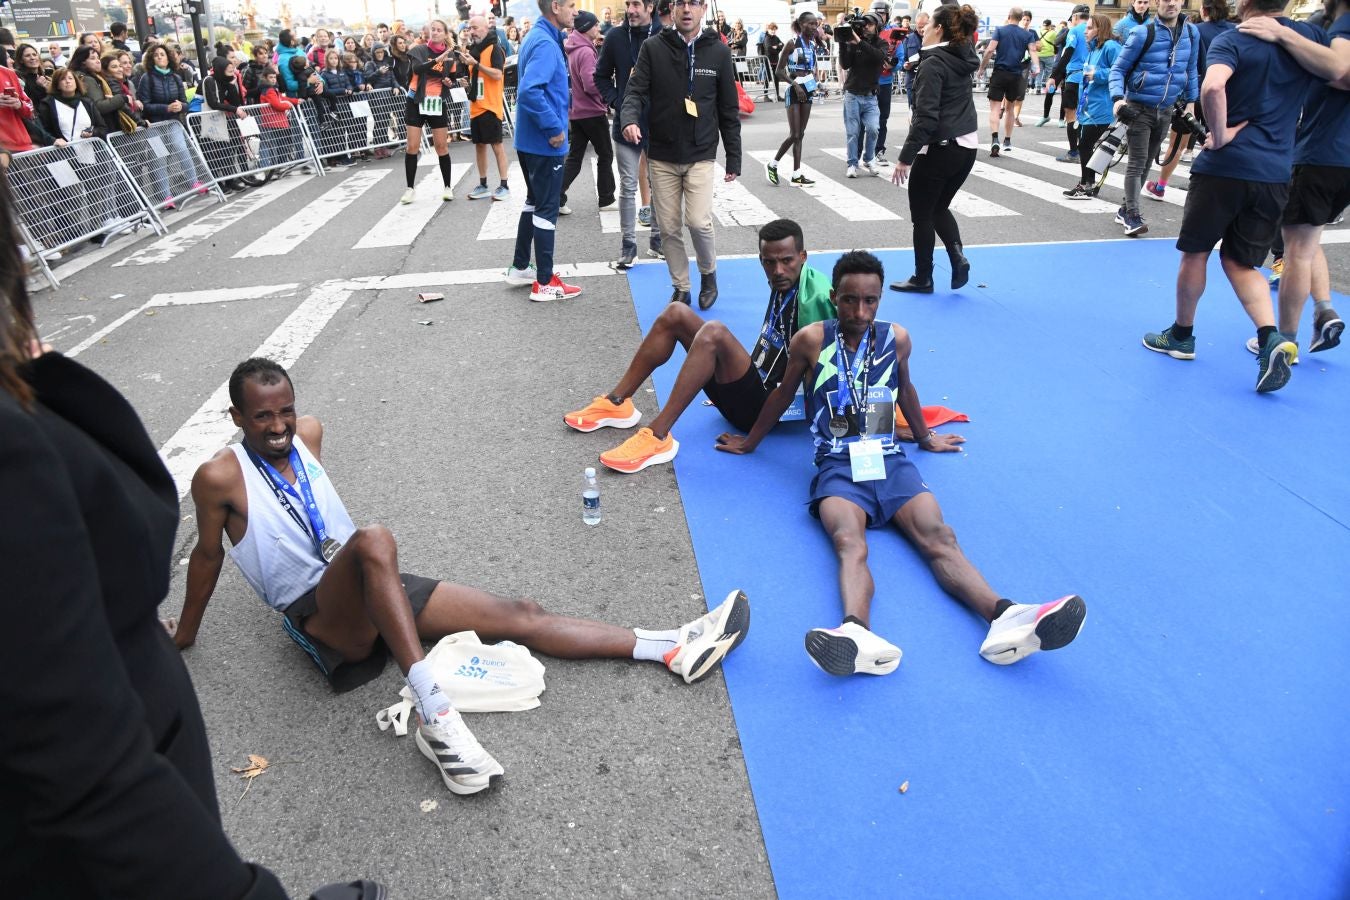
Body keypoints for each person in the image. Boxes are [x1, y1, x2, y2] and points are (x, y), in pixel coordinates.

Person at [0, 175, 355, 900]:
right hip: (122, 825)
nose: (283, 427)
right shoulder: (18, 442)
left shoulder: (308, 436)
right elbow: (81, 763)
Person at [174, 357, 750, 793]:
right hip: (322, 616)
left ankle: (668, 647)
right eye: (261, 416)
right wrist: (184, 635)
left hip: (368, 578)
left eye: (285, 411)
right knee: (374, 540)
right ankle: (438, 714)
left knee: (520, 613)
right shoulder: (219, 477)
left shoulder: (311, 435)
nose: (278, 426)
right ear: (236, 417)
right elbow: (207, 557)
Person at [715, 250, 1088, 675]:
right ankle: (856, 632)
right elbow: (781, 394)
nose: (860, 310)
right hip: (838, 467)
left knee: (939, 537)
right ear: (835, 297)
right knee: (848, 543)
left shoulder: (898, 339)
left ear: (879, 300)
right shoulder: (812, 340)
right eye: (850, 300)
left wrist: (925, 438)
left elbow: (906, 390)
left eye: (870, 301)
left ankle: (1005, 615)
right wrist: (750, 442)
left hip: (890, 462)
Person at [1141, 0, 1327, 393]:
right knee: (1242, 263)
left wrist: (1221, 132)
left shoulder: (1234, 40)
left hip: (1225, 167)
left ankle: (1181, 335)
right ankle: (1270, 337)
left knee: (1196, 252)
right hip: (1276, 170)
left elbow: (1212, 85)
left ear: (1244, 4)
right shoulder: (1309, 38)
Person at [566, 218, 836, 473]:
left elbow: (818, 375)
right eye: (769, 262)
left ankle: (658, 435)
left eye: (786, 261)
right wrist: (726, 376)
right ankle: (617, 402)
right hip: (751, 388)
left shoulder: (817, 299)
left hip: (764, 411)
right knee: (676, 313)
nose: (777, 270)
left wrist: (750, 441)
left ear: (803, 257)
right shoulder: (789, 279)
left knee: (714, 332)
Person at [1237, 1, 1348, 365]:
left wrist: (1284, 35)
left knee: (1296, 248)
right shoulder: (1328, 26)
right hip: (1337, 154)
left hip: (1324, 150)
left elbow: (1341, 71)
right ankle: (1324, 309)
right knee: (1308, 237)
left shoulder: (1344, 25)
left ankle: (1285, 343)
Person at [620, 0, 740, 310]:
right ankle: (681, 286)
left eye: (694, 3)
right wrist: (630, 119)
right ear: (672, 9)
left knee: (699, 222)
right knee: (669, 227)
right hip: (662, 153)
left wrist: (734, 157)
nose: (687, 9)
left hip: (700, 152)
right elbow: (634, 91)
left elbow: (728, 108)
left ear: (703, 9)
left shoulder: (719, 51)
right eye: (681, 3)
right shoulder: (653, 47)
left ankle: (708, 273)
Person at [889, 3, 978, 294]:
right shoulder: (962, 57)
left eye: (926, 25)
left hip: (940, 147)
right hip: (966, 146)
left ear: (938, 28)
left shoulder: (934, 63)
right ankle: (957, 256)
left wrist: (905, 157)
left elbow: (927, 117)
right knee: (939, 206)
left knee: (922, 215)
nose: (922, 28)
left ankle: (923, 277)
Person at [503, 0, 582, 302]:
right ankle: (545, 282)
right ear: (556, 6)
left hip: (529, 140)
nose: (575, 11)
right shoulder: (546, 43)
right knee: (547, 209)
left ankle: (521, 266)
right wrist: (554, 128)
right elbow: (528, 91)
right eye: (572, 4)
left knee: (534, 202)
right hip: (543, 141)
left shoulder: (538, 36)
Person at [1107, 0, 1198, 237]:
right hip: (1139, 107)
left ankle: (1125, 208)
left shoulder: (1191, 32)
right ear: (1157, 2)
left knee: (1147, 162)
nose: (1171, 3)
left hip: (1166, 109)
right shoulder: (1142, 33)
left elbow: (1191, 69)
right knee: (1137, 162)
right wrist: (1118, 98)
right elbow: (1118, 69)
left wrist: (1191, 104)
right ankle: (1132, 215)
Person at [596, 0, 665, 269]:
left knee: (660, 183)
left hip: (658, 123)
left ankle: (658, 240)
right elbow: (600, 76)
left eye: (636, 4)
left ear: (650, 6)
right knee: (628, 185)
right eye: (628, 4)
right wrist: (617, 102)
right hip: (626, 121)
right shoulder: (614, 36)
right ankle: (628, 246)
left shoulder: (665, 36)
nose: (631, 10)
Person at [1145, 0, 1235, 200]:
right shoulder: (1235, 30)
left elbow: (1184, 62)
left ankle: (1161, 186)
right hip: (1227, 95)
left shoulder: (1194, 30)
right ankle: (1218, 189)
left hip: (1194, 92)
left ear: (1204, 10)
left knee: (1176, 144)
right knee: (1220, 141)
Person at [559, 11, 615, 215]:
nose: (598, 27)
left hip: (577, 111)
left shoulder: (574, 47)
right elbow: (591, 84)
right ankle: (607, 199)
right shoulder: (585, 51)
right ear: (585, 27)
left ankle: (556, 196)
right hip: (591, 111)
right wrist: (607, 95)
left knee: (574, 157)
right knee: (606, 154)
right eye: (595, 24)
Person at [1062, 16, 1122, 199]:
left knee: (1086, 145)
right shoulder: (1093, 49)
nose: (1085, 31)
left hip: (1102, 107)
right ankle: (1088, 183)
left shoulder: (1111, 47)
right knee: (1086, 146)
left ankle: (1086, 184)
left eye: (1089, 28)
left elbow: (1119, 71)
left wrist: (1097, 74)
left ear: (1100, 29)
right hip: (1089, 106)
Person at [399, 20, 458, 204]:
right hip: (416, 100)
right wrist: (436, 60)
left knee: (441, 146)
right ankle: (410, 189)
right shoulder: (419, 49)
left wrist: (450, 82)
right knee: (412, 146)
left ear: (445, 34)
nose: (435, 32)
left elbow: (452, 78)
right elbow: (417, 69)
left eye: (439, 30)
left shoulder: (451, 55)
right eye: (433, 29)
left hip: (437, 101)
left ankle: (448, 187)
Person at [767, 12, 823, 187]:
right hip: (794, 89)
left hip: (808, 89)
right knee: (795, 134)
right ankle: (772, 164)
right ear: (801, 24)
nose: (815, 27)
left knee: (801, 135)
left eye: (816, 24)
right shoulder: (792, 43)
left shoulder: (812, 44)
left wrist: (817, 84)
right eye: (811, 24)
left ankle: (796, 174)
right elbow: (779, 71)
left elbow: (811, 69)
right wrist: (795, 85)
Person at [977, 7, 1040, 157]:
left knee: (995, 108)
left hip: (999, 72)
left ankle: (994, 139)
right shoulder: (1027, 34)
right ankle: (1007, 140)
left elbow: (990, 50)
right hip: (1016, 74)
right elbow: (1033, 50)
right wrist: (1036, 66)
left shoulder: (1000, 30)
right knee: (1010, 108)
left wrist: (981, 68)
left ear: (1009, 16)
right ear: (1020, 18)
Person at [459, 16, 510, 200]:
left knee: (497, 145)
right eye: (469, 28)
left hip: (491, 106)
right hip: (476, 106)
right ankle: (483, 184)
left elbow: (497, 74)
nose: (471, 31)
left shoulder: (494, 48)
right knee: (479, 146)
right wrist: (468, 83)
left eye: (474, 28)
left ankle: (504, 185)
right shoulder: (475, 50)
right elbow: (478, 77)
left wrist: (477, 65)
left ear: (485, 28)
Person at [839, 12, 887, 177]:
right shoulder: (854, 42)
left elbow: (878, 57)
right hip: (852, 94)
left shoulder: (882, 43)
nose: (866, 26)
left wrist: (859, 42)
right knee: (853, 132)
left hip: (870, 96)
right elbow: (845, 64)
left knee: (873, 129)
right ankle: (852, 163)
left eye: (870, 24)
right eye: (864, 23)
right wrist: (843, 43)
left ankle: (869, 158)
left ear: (877, 26)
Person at [1044, 4, 1091, 161]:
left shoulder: (1075, 31)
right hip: (1091, 79)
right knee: (1087, 115)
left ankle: (1073, 152)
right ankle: (1086, 151)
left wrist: (1054, 77)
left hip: (1074, 78)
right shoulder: (1096, 30)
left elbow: (1067, 54)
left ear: (1075, 17)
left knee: (1070, 115)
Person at [203, 57, 249, 193]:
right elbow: (213, 103)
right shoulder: (209, 80)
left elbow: (236, 101)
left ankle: (230, 180)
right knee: (213, 153)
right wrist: (234, 110)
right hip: (205, 120)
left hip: (219, 119)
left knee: (225, 149)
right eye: (228, 71)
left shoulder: (224, 81)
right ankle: (218, 182)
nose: (231, 72)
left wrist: (231, 84)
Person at [757, 21, 784, 101]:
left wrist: (777, 47)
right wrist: (776, 48)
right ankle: (766, 96)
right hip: (768, 61)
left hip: (776, 60)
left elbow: (782, 44)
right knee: (767, 78)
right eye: (772, 29)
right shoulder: (767, 38)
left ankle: (777, 95)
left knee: (776, 78)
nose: (773, 31)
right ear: (768, 29)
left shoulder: (776, 37)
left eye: (775, 29)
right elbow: (769, 49)